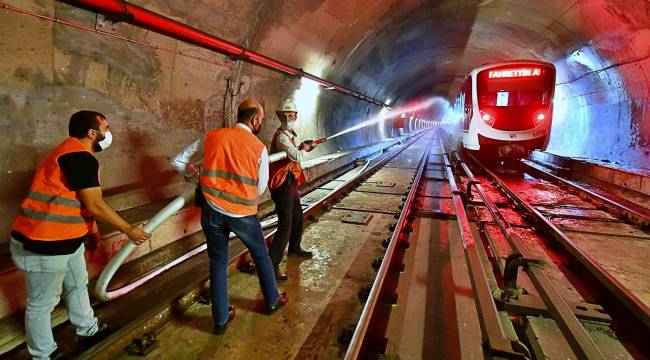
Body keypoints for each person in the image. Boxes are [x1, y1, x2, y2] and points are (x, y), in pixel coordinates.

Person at [10, 110, 151, 360]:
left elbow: (82, 201)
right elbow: (95, 204)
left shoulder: (74, 153)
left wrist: (91, 230)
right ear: (92, 133)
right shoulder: (78, 157)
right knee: (42, 303)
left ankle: (88, 331)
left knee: (77, 285)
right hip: (43, 243)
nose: (109, 134)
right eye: (106, 128)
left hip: (67, 240)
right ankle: (43, 355)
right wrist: (129, 229)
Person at [170, 99, 288, 335]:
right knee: (261, 256)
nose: (260, 124)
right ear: (254, 119)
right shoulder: (258, 148)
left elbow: (178, 161)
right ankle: (272, 301)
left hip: (211, 210)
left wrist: (196, 177)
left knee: (217, 262)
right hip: (243, 212)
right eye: (261, 120)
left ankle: (221, 319)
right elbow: (261, 187)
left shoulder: (212, 136)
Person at [267, 99, 322, 281]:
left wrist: (303, 146)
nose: (291, 117)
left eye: (292, 115)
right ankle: (272, 264)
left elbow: (294, 152)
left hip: (290, 182)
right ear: (282, 116)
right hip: (282, 185)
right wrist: (304, 148)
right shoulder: (282, 136)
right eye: (288, 115)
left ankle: (294, 248)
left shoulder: (288, 134)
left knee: (298, 216)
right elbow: (296, 155)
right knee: (285, 224)